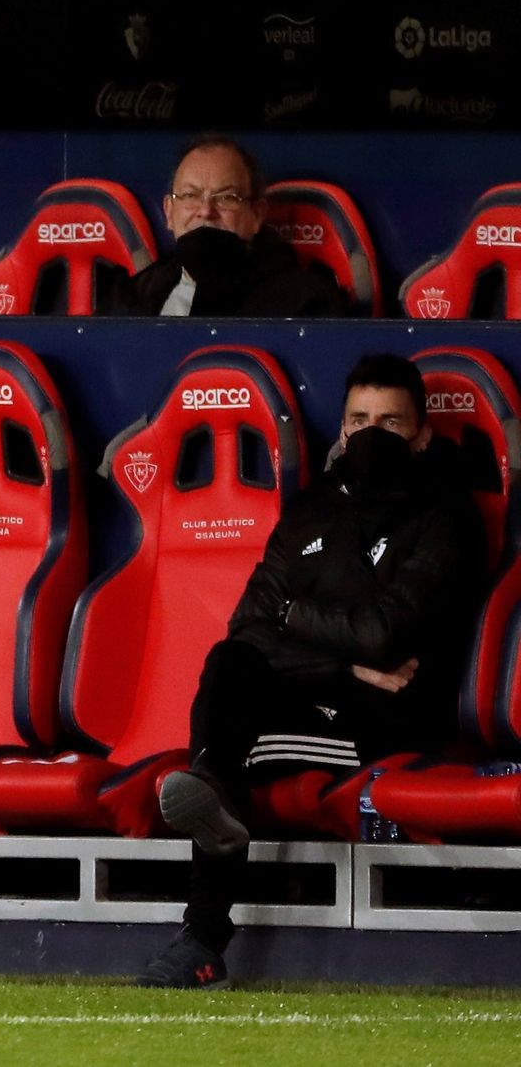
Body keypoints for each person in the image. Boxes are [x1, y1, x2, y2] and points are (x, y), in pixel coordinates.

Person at [138, 353, 486, 988]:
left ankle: (203, 934)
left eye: (391, 422)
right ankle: (210, 797)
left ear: (422, 433)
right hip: (323, 695)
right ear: (342, 429)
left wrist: (294, 615)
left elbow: (386, 635)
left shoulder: (447, 516)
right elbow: (248, 625)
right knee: (232, 664)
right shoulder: (311, 509)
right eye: (359, 420)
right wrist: (349, 661)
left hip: (390, 720)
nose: (372, 434)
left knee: (229, 752)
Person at [105, 135, 348, 317]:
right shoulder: (131, 295)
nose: (205, 211)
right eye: (190, 195)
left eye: (226, 198)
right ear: (169, 212)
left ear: (256, 214)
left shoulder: (306, 303)